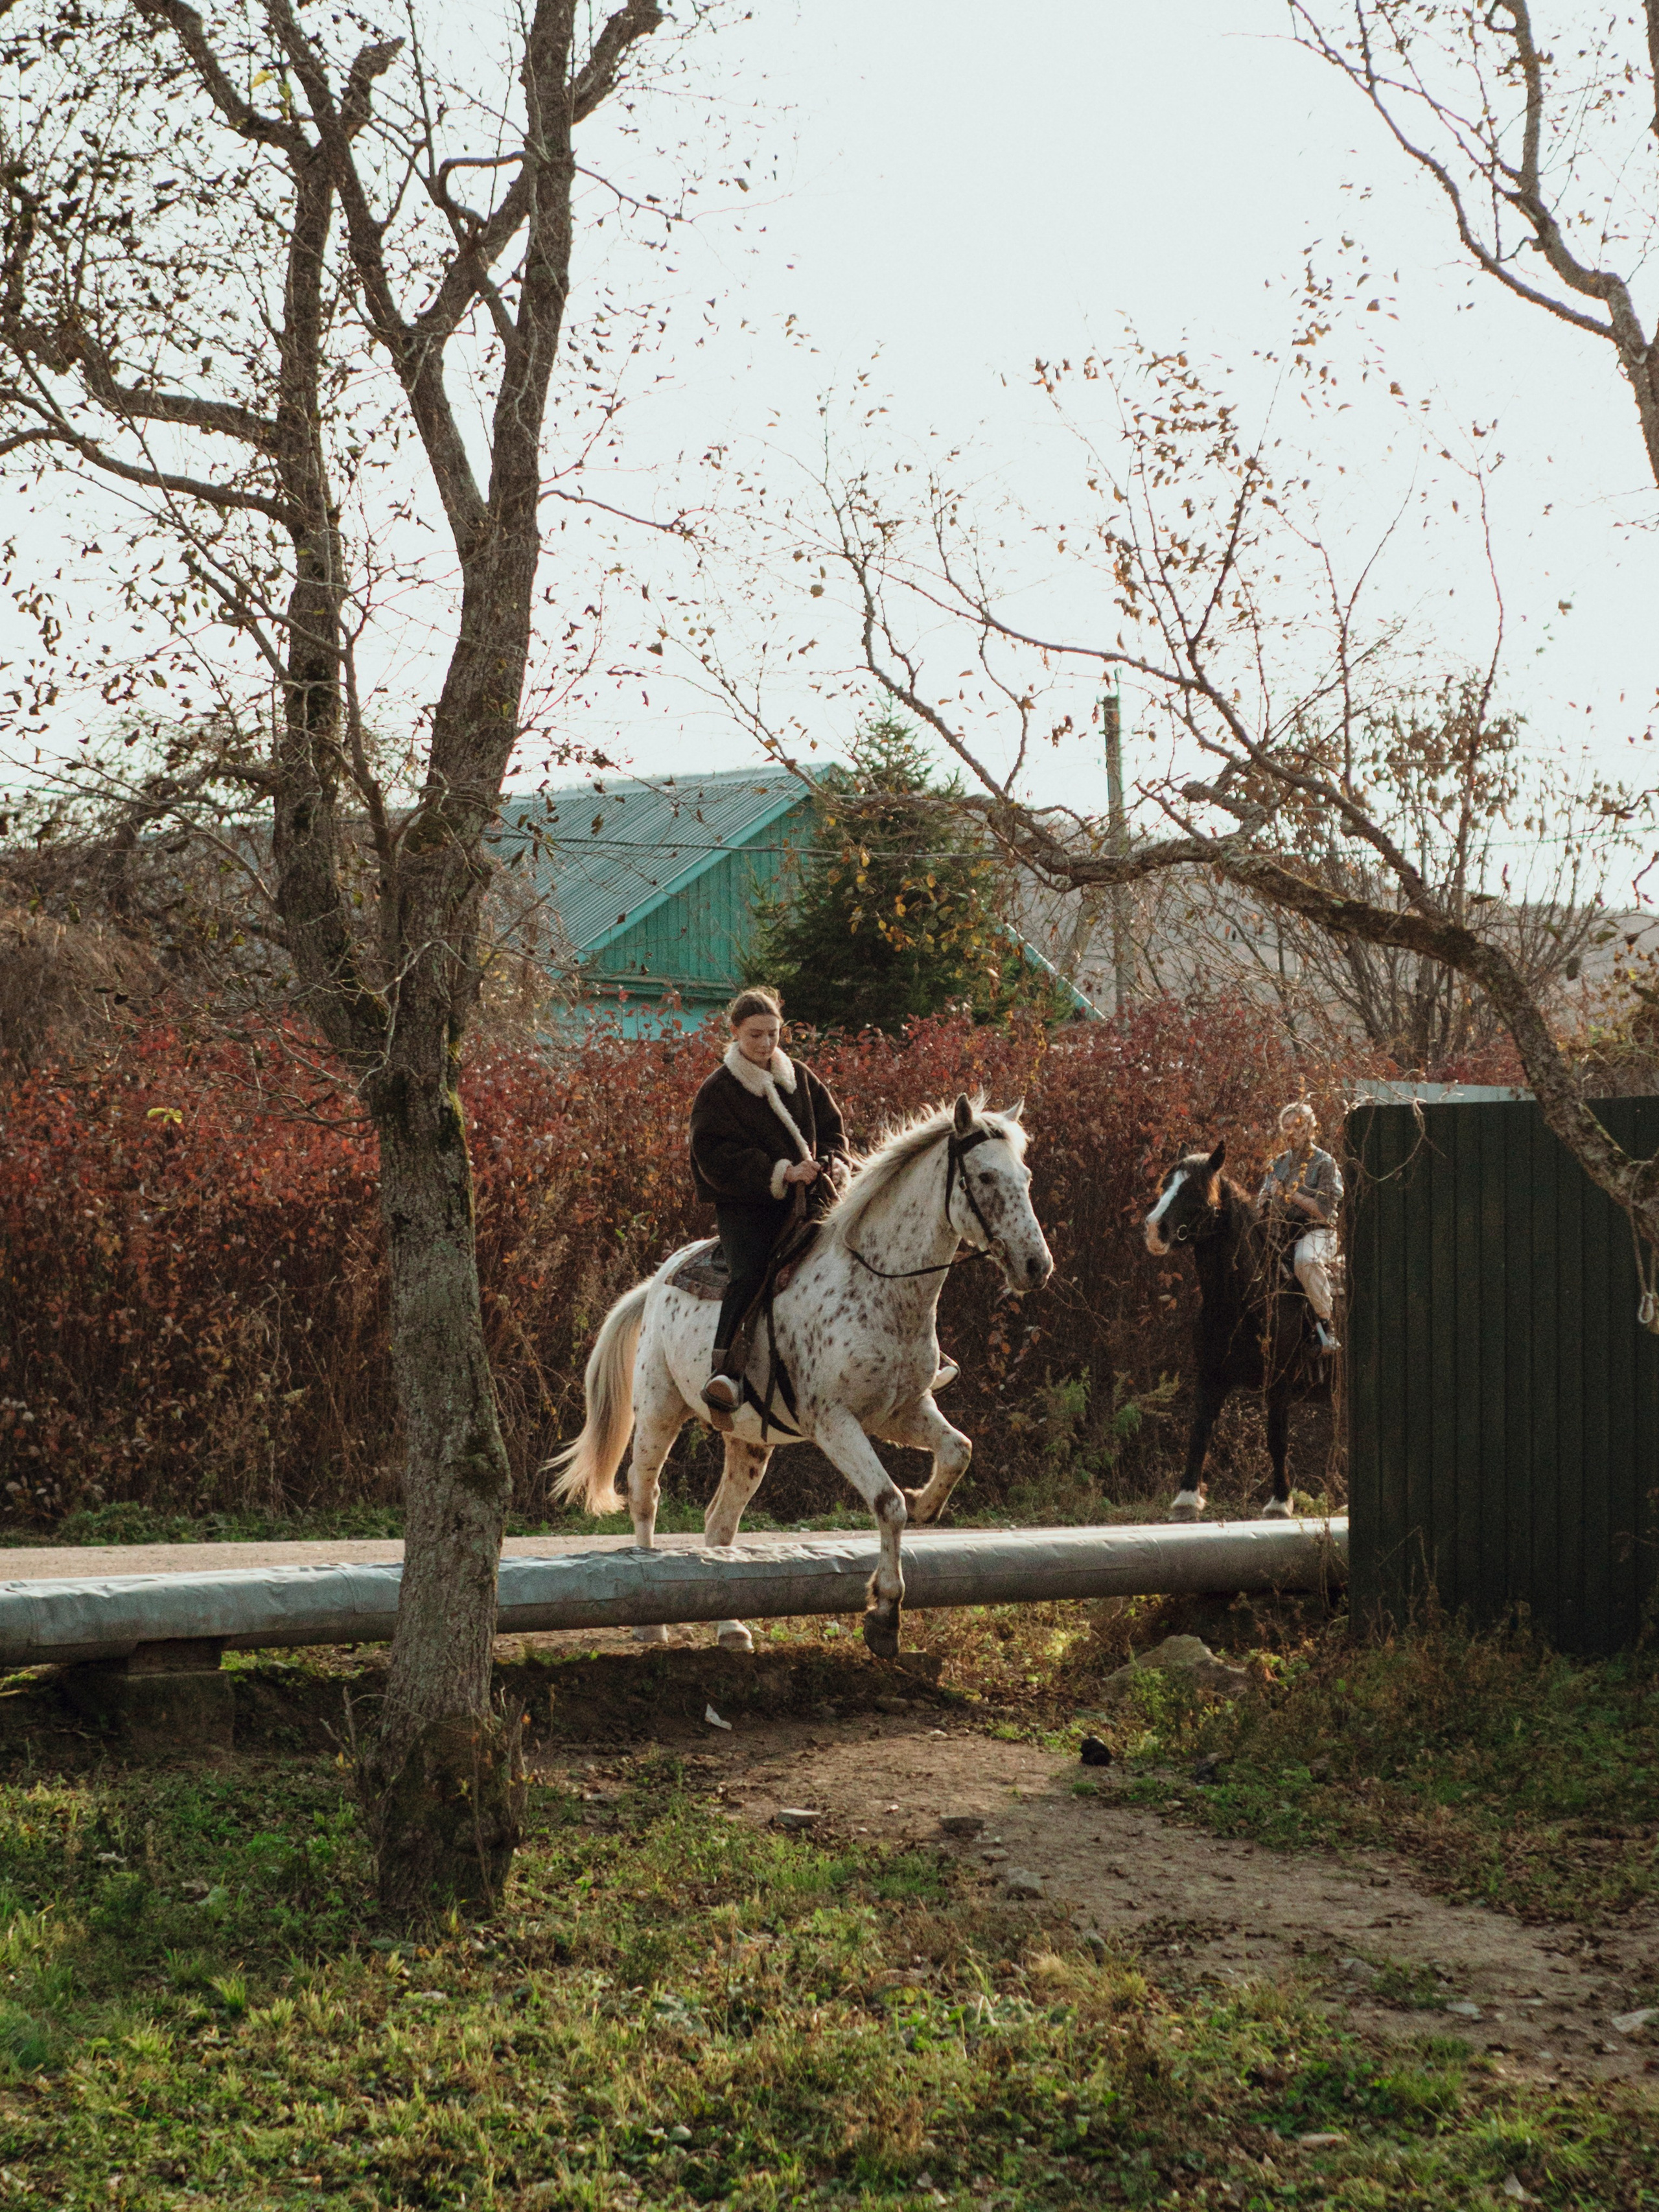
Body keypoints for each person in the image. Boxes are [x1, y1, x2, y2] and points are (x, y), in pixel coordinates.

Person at [688, 986, 850, 1413]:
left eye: (772, 1035)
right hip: (747, 1205)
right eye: (754, 1035)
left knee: (865, 1245)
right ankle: (725, 1371)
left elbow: (834, 1129)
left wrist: (835, 1161)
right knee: (749, 1271)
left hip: (812, 1198)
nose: (764, 1044)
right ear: (735, 1031)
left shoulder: (799, 1075)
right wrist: (780, 1172)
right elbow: (712, 1155)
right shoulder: (717, 1090)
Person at [1257, 1100, 1343, 1353]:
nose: (1290, 1132)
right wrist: (1264, 1201)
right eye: (1285, 1128)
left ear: (1309, 1128)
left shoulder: (1325, 1162)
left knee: (1304, 1260)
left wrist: (1290, 1194)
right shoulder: (1278, 1163)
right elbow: (1261, 1202)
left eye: (1296, 1126)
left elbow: (1324, 1211)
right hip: (1282, 1234)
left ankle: (1327, 1328)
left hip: (1318, 1231)